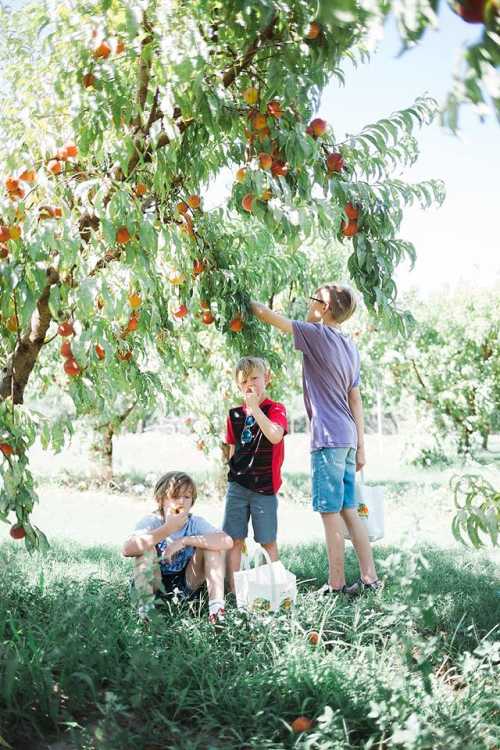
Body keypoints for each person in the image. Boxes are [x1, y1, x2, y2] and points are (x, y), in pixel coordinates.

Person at [250, 284, 382, 595]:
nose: (310, 302)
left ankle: (336, 584)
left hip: (328, 437)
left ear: (325, 308)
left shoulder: (316, 335)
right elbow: (356, 399)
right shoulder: (349, 346)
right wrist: (361, 445)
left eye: (315, 298)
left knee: (330, 513)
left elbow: (268, 315)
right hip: (348, 436)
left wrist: (242, 298)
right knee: (350, 509)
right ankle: (370, 578)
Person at [122, 471, 233, 622]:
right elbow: (127, 550)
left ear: (192, 501)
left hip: (186, 583)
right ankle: (146, 612)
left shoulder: (194, 522)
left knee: (210, 547)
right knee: (145, 549)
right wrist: (167, 529)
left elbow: (227, 541)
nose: (181, 501)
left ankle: (216, 610)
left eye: (187, 497)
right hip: (154, 583)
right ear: (161, 500)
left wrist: (184, 541)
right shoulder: (152, 521)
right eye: (175, 496)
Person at [223, 356, 288, 592]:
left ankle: (274, 588)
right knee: (233, 540)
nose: (250, 384)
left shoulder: (276, 409)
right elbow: (232, 449)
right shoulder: (234, 415)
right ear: (238, 386)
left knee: (267, 540)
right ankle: (234, 592)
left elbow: (275, 435)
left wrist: (256, 409)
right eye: (244, 381)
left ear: (267, 379)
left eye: (255, 378)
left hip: (264, 488)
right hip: (238, 487)